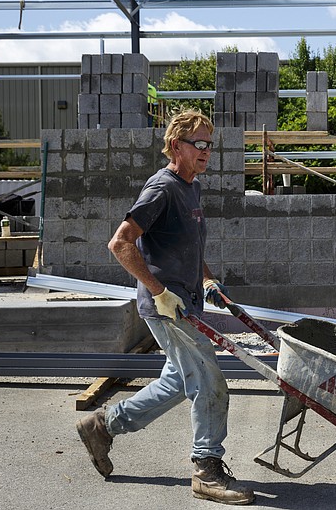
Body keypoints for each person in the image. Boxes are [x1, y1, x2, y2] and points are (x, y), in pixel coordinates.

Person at [75, 108, 255, 506]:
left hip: (185, 303)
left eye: (210, 144)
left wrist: (206, 278)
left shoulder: (191, 187)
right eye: (199, 144)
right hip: (166, 307)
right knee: (209, 382)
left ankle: (102, 425)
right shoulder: (162, 188)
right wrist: (159, 291)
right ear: (176, 146)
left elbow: (188, 245)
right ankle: (206, 469)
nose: (207, 151)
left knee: (178, 382)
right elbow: (120, 243)